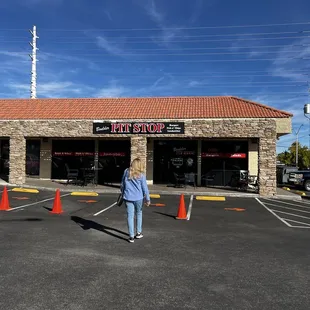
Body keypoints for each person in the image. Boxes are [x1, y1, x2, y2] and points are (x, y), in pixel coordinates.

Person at [120, 158, 150, 243]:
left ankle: (131, 236)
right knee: (139, 214)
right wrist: (147, 199)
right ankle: (138, 232)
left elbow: (122, 184)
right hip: (138, 198)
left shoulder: (126, 171)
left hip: (128, 197)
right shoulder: (141, 175)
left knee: (130, 216)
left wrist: (122, 192)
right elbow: (145, 188)